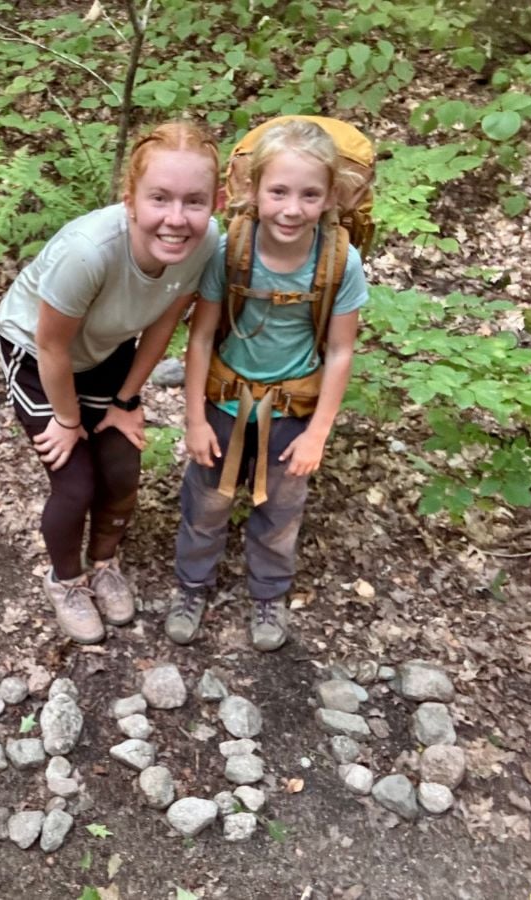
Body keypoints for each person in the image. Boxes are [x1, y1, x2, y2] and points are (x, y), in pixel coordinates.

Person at [0, 122, 221, 644]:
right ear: (130, 199)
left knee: (121, 467)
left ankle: (104, 563)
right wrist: (68, 419)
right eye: (159, 199)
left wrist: (125, 400)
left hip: (106, 347)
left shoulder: (206, 242)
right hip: (37, 352)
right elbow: (52, 345)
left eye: (194, 201)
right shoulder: (89, 250)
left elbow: (165, 321)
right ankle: (66, 581)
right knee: (75, 481)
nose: (176, 218)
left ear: (217, 201)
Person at [166, 118, 369, 652]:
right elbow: (202, 335)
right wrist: (192, 418)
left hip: (292, 410)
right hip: (225, 404)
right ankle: (191, 586)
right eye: (278, 191)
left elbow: (342, 349)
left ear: (329, 200)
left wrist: (318, 433)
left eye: (309, 194)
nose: (291, 208)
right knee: (205, 500)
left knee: (280, 510)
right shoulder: (230, 249)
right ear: (253, 190)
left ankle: (268, 594)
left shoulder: (339, 261)